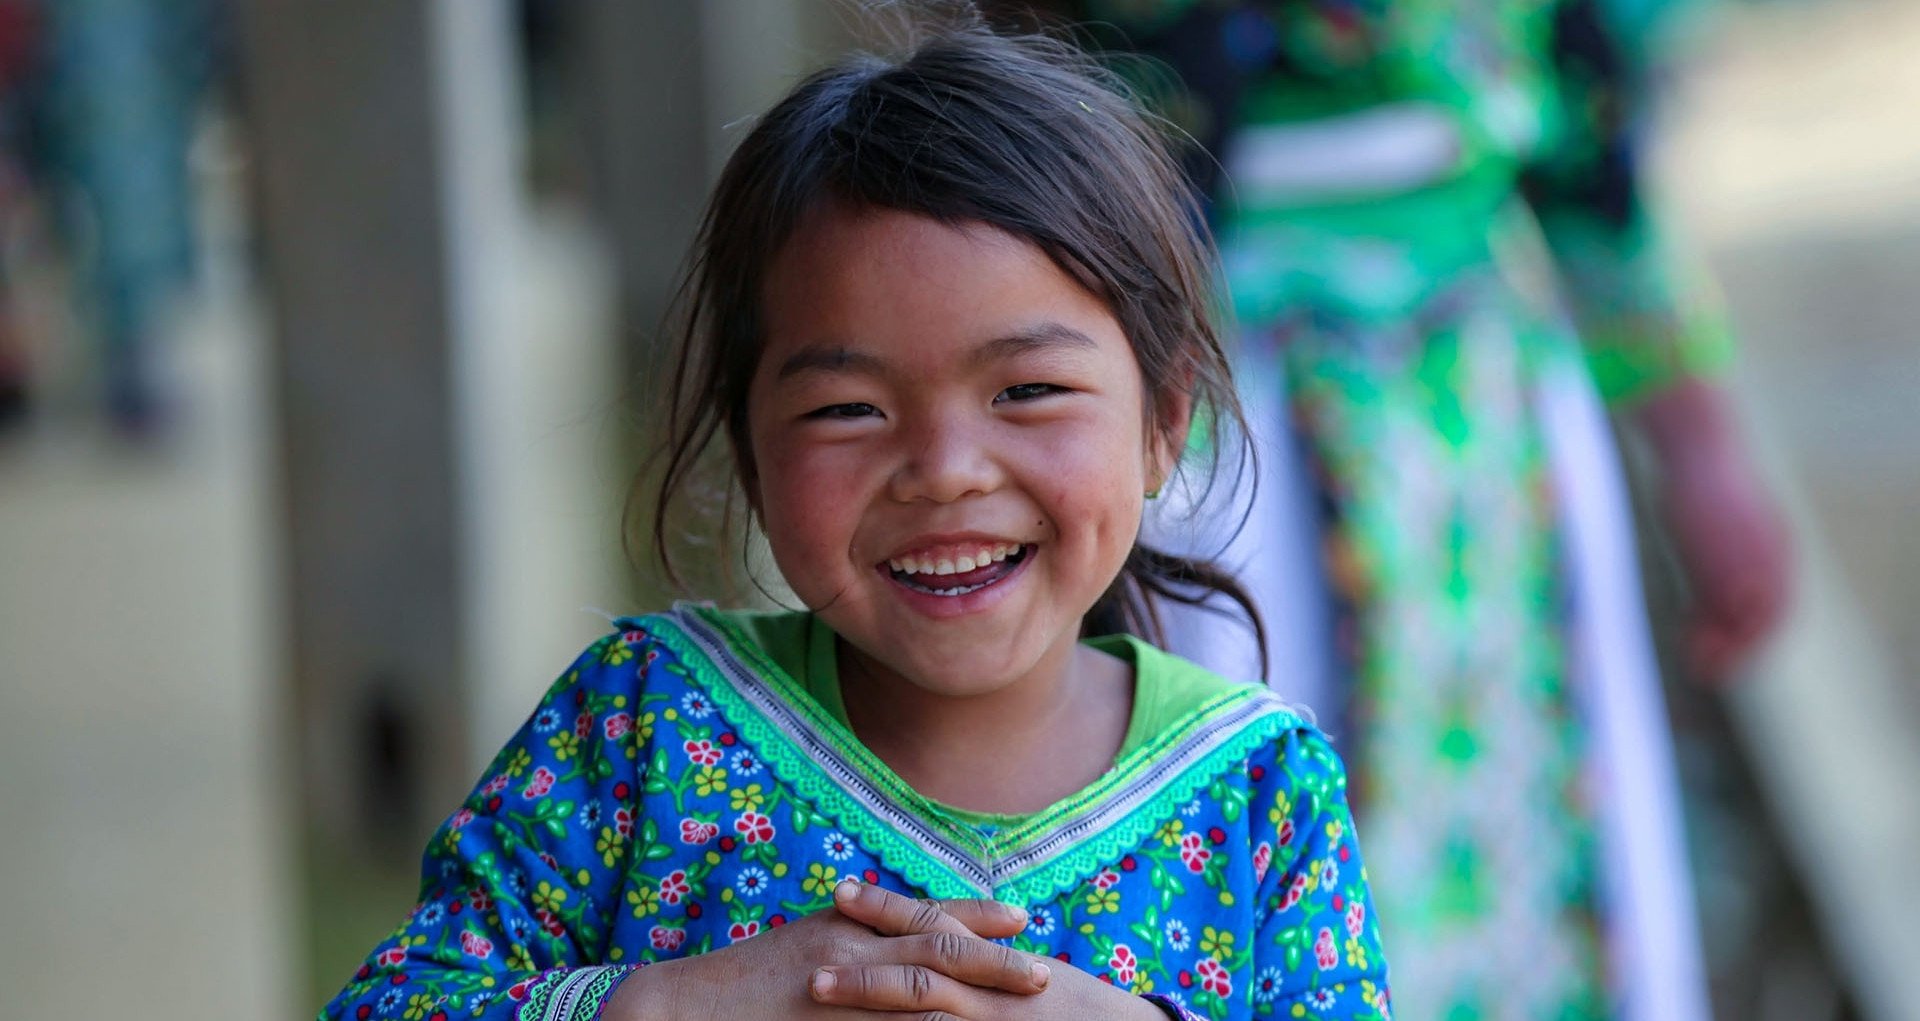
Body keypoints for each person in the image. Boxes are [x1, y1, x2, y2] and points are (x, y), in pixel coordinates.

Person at [321, 20, 1390, 1021]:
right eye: (848, 410)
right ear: (749, 448)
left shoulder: (1258, 794)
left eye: (1027, 391)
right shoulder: (648, 722)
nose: (942, 472)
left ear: (1165, 419)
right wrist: (665, 1001)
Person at [999, 1, 1791, 1018]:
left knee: (1525, 843)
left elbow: (1593, 164)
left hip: (1484, 438)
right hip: (1214, 433)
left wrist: (1701, 450)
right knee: (1227, 815)